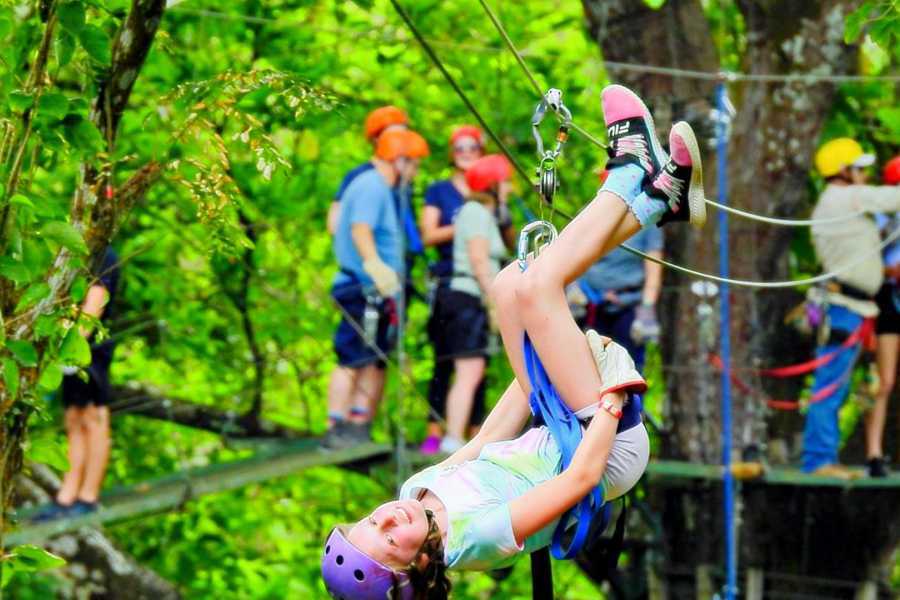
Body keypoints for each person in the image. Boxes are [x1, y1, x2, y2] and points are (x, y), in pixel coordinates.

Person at [322, 84, 706, 599]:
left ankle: (660, 200)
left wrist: (536, 370)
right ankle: (631, 171)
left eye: (373, 520)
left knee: (512, 285)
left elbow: (486, 444)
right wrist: (611, 406)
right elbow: (580, 482)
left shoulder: (416, 492)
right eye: (391, 539)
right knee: (540, 286)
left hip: (562, 425)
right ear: (417, 565)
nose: (390, 517)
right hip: (601, 451)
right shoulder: (473, 538)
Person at [324, 129, 430, 448]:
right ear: (399, 161)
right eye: (413, 166)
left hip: (377, 290)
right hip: (362, 286)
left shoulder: (383, 188)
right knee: (352, 356)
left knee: (371, 357)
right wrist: (374, 265)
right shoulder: (371, 186)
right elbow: (360, 229)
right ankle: (336, 425)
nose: (415, 174)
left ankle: (358, 423)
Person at [801, 140, 900, 477]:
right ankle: (818, 460)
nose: (864, 174)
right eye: (859, 167)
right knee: (830, 384)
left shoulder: (835, 202)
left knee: (834, 384)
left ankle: (822, 457)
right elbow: (893, 198)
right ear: (844, 171)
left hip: (850, 305)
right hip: (844, 306)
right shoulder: (847, 197)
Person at [420, 126, 511, 454]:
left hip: (466, 294)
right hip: (463, 294)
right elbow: (477, 258)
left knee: (472, 370)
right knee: (464, 368)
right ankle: (452, 438)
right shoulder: (470, 211)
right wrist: (493, 301)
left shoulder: (485, 212)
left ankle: (465, 435)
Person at [34, 247, 120, 521]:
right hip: (68, 349)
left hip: (91, 349)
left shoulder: (103, 256)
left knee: (93, 416)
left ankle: (88, 496)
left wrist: (73, 343)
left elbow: (95, 303)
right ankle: (67, 496)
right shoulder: (76, 253)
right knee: (74, 418)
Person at [569, 169, 663, 371]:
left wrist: (647, 308)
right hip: (591, 305)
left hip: (627, 306)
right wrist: (573, 289)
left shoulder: (648, 222)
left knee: (630, 371)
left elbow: (653, 267)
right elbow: (571, 255)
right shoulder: (589, 215)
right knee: (591, 371)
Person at [327, 106, 423, 257]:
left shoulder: (404, 178)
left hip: (400, 265)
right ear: (376, 139)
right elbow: (335, 224)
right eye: (393, 135)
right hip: (372, 268)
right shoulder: (362, 176)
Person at [866, 155, 900, 476]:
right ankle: (874, 454)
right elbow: (869, 260)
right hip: (889, 297)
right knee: (885, 380)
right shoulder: (883, 218)